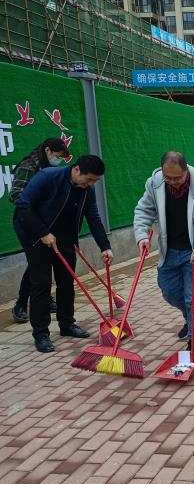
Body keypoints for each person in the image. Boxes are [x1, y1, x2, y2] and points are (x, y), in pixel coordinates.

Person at [14, 155, 112, 353]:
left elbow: (93, 217)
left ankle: (67, 324)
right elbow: (24, 205)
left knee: (66, 280)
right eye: (89, 179)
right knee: (41, 283)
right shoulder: (48, 177)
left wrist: (105, 246)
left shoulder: (87, 190)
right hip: (34, 233)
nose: (90, 184)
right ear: (76, 169)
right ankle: (41, 334)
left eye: (94, 181)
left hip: (65, 235)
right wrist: (43, 233)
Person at [134, 151, 194, 353]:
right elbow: (143, 211)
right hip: (169, 250)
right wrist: (142, 235)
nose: (172, 182)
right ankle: (193, 317)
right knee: (170, 292)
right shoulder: (155, 184)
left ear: (186, 170)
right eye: (168, 178)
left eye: (177, 178)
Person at [9, 138, 69, 324]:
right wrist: (37, 201)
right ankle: (20, 304)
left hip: (45, 221)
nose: (58, 160)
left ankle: (45, 297)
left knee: (43, 261)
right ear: (47, 150)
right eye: (57, 156)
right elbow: (15, 195)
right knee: (37, 262)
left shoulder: (49, 168)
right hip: (26, 221)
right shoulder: (28, 167)